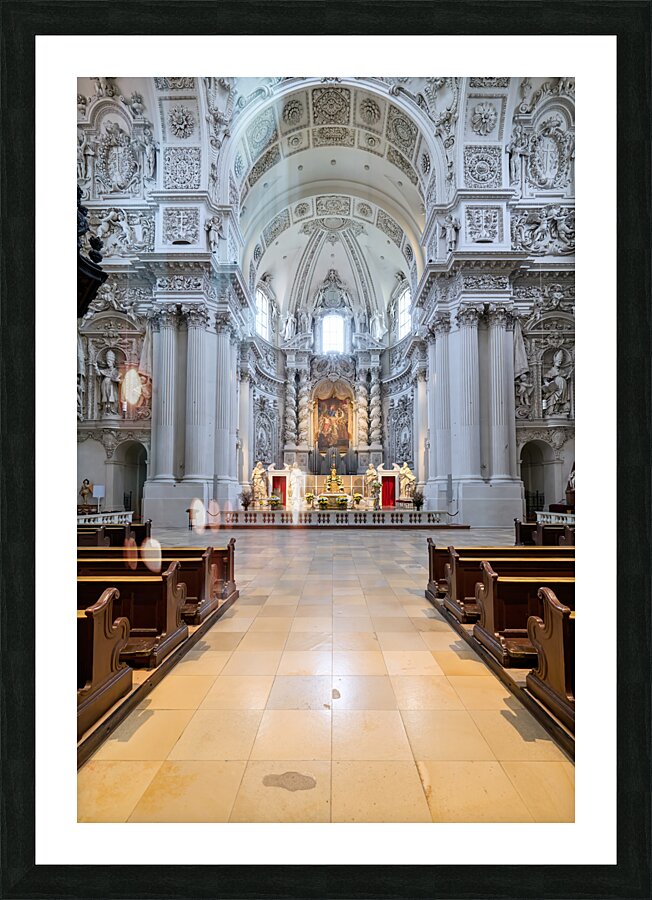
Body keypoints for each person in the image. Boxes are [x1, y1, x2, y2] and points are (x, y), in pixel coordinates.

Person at [95, 350, 122, 416]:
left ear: (113, 362)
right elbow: (99, 374)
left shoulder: (116, 370)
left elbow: (120, 380)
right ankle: (105, 411)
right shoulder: (105, 370)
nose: (108, 363)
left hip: (112, 386)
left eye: (109, 361)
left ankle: (113, 411)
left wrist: (117, 380)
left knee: (112, 398)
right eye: (107, 361)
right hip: (104, 386)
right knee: (105, 398)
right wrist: (96, 367)